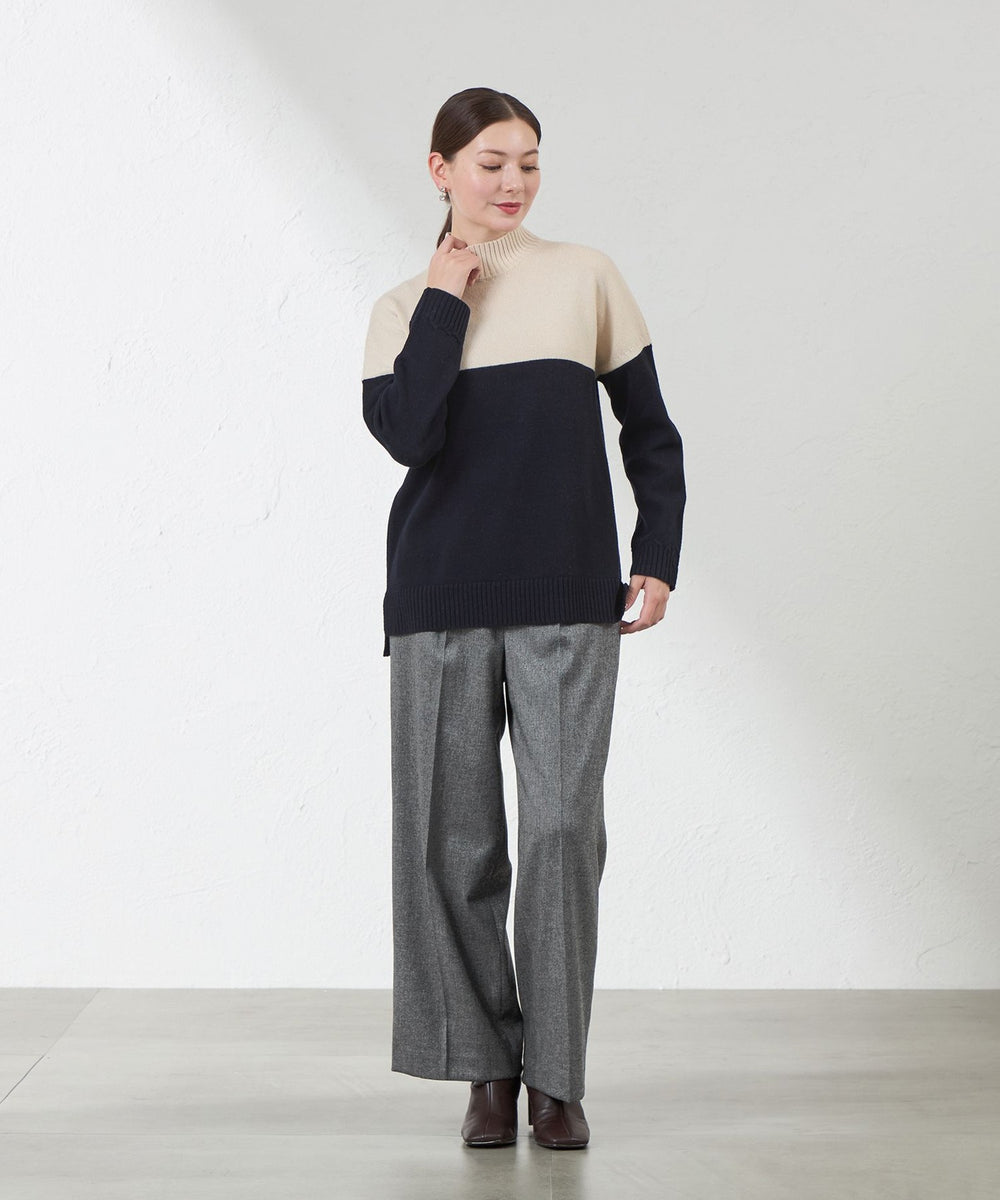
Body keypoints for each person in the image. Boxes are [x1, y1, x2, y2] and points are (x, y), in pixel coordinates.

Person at [361, 87, 685, 1149]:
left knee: (560, 832)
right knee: (448, 847)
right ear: (440, 170)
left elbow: (651, 431)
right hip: (439, 602)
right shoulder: (402, 309)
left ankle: (556, 1076)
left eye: (529, 162)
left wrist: (656, 555)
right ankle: (485, 1069)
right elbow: (410, 436)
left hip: (566, 597)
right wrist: (446, 298)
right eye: (491, 163)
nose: (513, 182)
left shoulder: (585, 276)